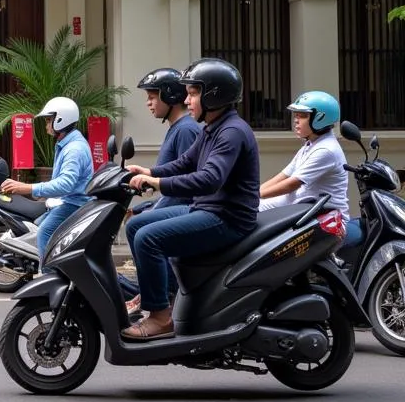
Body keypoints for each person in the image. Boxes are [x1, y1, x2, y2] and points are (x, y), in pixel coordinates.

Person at [122, 58, 260, 341]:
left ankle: (160, 318)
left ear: (214, 95)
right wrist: (148, 171)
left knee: (148, 238)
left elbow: (209, 179)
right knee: (136, 226)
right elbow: (186, 162)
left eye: (193, 93)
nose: (187, 100)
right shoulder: (213, 126)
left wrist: (157, 182)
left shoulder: (231, 132)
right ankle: (166, 301)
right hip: (207, 208)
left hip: (227, 218)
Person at [123, 67, 203, 315]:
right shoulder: (177, 128)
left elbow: (188, 178)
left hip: (186, 203)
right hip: (174, 198)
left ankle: (165, 296)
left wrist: (154, 185)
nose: (148, 103)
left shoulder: (187, 129)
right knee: (134, 216)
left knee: (141, 228)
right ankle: (149, 290)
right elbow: (175, 168)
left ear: (169, 96)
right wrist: (148, 174)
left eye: (152, 96)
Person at [0, 96, 93, 262]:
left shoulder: (74, 149)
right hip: (67, 202)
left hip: (74, 204)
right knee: (35, 224)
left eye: (49, 120)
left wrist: (26, 188)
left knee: (44, 232)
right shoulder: (68, 143)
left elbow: (65, 184)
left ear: (61, 120)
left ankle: (48, 275)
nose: (46, 124)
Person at [260, 90, 353, 236]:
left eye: (302, 115)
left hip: (326, 220)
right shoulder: (311, 145)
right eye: (295, 115)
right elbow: (284, 175)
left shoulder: (326, 149)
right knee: (250, 209)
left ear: (320, 118)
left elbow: (292, 184)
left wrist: (257, 195)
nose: (296, 120)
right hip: (301, 208)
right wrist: (254, 193)